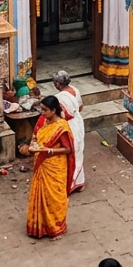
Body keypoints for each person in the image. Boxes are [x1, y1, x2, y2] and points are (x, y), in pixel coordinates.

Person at [25, 95, 75, 240]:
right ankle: (39, 226)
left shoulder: (62, 127)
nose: (42, 112)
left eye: (45, 110)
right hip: (42, 163)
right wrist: (33, 144)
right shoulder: (44, 121)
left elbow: (67, 149)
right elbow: (36, 136)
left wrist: (49, 151)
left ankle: (56, 228)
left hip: (55, 166)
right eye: (41, 109)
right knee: (41, 195)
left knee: (54, 197)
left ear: (53, 110)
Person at [51, 71, 86, 193]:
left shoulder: (59, 98)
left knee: (70, 152)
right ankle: (80, 183)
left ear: (58, 84)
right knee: (78, 151)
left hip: (68, 126)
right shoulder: (75, 90)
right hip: (78, 122)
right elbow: (81, 107)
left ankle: (70, 183)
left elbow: (60, 115)